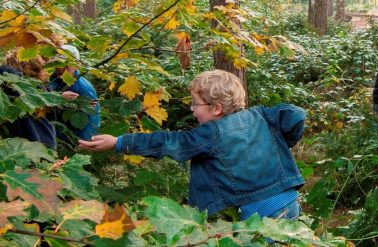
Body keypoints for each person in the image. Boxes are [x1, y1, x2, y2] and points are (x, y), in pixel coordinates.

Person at [78, 70, 306, 221]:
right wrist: (282, 144)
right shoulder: (261, 116)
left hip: (260, 212)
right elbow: (296, 115)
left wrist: (119, 142)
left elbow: (171, 142)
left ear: (216, 108)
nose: (192, 110)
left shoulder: (211, 134)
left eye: (196, 104)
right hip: (287, 199)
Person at [1, 51, 57, 149]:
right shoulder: (42, 89)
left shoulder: (21, 88)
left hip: (30, 144)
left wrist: (5, 68)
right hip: (45, 141)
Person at [48, 44, 100, 141]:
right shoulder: (53, 79)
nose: (60, 68)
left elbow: (91, 120)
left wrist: (84, 142)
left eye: (65, 64)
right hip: (56, 133)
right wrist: (59, 97)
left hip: (73, 138)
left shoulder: (83, 88)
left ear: (76, 65)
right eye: (57, 63)